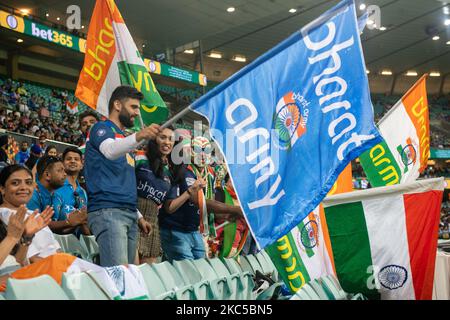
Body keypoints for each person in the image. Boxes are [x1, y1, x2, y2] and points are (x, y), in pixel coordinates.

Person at [85, 85, 160, 267]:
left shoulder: (125, 140)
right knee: (118, 279)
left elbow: (123, 181)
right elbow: (110, 151)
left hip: (128, 212)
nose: (136, 112)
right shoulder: (100, 128)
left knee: (129, 277)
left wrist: (138, 215)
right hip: (108, 210)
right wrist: (139, 135)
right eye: (133, 107)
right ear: (117, 105)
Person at [159, 136, 243, 262]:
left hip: (194, 230)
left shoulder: (210, 173)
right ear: (191, 151)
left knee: (202, 267)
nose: (203, 155)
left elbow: (210, 202)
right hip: (176, 229)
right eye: (198, 149)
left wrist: (226, 215)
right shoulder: (185, 169)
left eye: (206, 150)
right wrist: (234, 209)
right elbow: (196, 199)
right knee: (189, 272)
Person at [135, 126, 179, 264]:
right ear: (154, 139)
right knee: (132, 272)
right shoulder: (140, 156)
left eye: (171, 139)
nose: (167, 142)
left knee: (148, 276)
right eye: (163, 137)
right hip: (132, 216)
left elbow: (168, 206)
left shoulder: (170, 171)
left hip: (152, 223)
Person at [0, 165, 58, 265]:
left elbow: (56, 250)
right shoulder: (5, 215)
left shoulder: (33, 214)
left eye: (28, 182)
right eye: (15, 183)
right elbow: (28, 262)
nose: (24, 187)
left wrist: (27, 237)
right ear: (2, 189)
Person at [27, 155, 87, 235]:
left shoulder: (51, 195)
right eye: (60, 170)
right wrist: (68, 222)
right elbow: (37, 225)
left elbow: (55, 231)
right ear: (47, 175)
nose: (65, 174)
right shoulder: (32, 195)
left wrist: (78, 221)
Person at [55, 147, 90, 236]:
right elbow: (48, 225)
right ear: (62, 164)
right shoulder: (55, 188)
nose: (73, 161)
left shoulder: (83, 192)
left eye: (76, 159)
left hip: (79, 245)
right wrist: (69, 222)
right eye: (69, 159)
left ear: (82, 165)